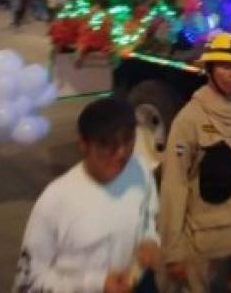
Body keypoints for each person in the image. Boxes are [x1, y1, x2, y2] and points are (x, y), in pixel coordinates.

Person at [12, 98, 162, 293]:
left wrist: (150, 240)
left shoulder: (139, 169)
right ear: (82, 145)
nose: (121, 154)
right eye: (107, 145)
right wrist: (96, 283)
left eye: (128, 141)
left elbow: (147, 216)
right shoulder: (55, 201)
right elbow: (28, 284)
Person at [160, 33, 231, 293]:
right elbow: (174, 186)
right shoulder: (189, 120)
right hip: (209, 244)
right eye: (225, 66)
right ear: (209, 69)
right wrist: (173, 251)